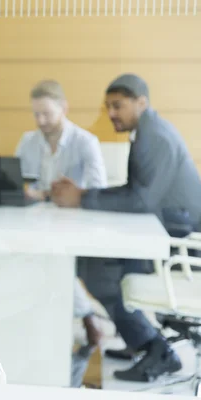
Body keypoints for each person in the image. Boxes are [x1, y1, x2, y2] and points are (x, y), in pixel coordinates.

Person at [52, 73, 201, 381]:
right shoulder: (147, 131)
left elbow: (140, 200)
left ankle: (155, 349)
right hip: (168, 232)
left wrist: (82, 197)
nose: (111, 114)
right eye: (108, 106)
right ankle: (140, 341)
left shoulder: (154, 137)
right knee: (92, 264)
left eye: (117, 106)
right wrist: (83, 195)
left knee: (96, 269)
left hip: (181, 242)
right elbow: (136, 191)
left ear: (141, 102)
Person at [15, 80, 104, 347]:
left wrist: (72, 193)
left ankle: (86, 315)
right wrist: (29, 192)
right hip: (35, 219)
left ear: (64, 108)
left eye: (47, 113)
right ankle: (81, 314)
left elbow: (98, 189)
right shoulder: (28, 141)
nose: (41, 120)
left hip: (73, 220)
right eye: (36, 114)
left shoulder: (86, 142)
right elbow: (15, 180)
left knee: (54, 253)